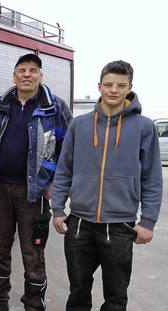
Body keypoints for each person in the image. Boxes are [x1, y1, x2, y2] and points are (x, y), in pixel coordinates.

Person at [51, 60, 163, 311]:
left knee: (115, 296)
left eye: (120, 85)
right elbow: (64, 169)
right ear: (99, 86)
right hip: (79, 223)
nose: (114, 89)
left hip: (120, 225)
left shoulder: (144, 127)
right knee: (78, 290)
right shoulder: (79, 125)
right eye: (109, 84)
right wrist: (57, 209)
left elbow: (152, 178)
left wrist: (147, 222)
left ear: (129, 88)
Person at [0, 53, 72, 311]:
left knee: (33, 253)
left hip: (36, 193)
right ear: (14, 75)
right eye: (21, 70)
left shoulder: (55, 108)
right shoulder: (0, 105)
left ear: (41, 75)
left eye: (32, 70)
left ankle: (34, 305)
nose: (26, 74)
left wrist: (56, 184)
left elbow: (68, 151)